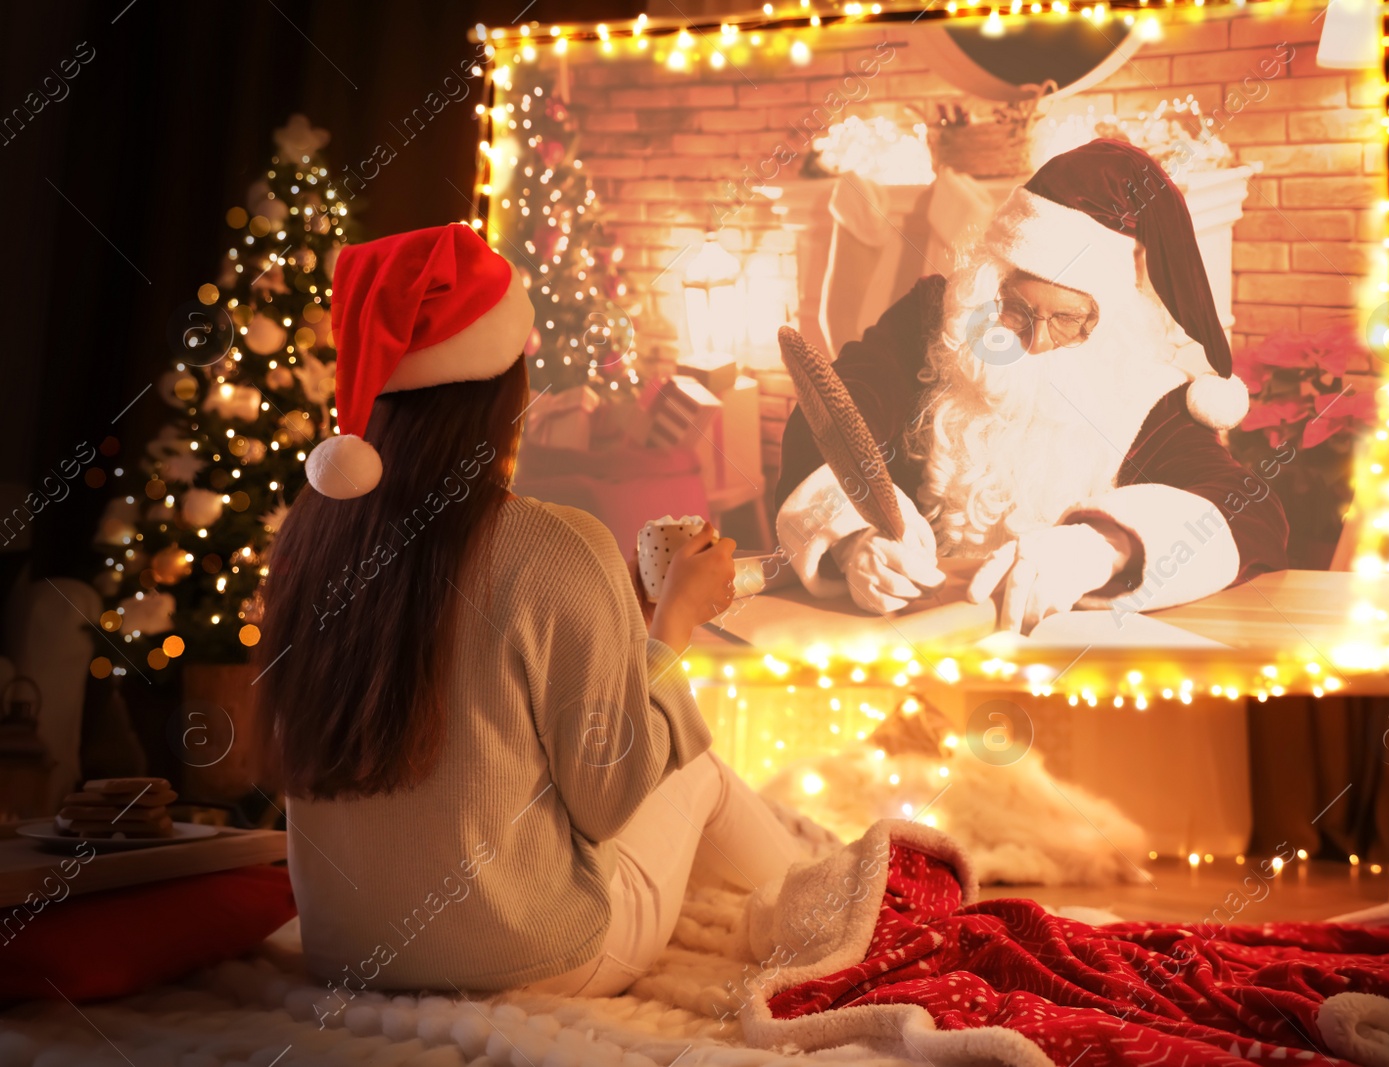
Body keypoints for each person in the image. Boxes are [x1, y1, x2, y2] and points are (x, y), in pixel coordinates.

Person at [260, 224, 808, 999]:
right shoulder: (556, 543)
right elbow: (608, 799)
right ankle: (835, 913)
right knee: (702, 774)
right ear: (501, 388)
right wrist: (672, 626)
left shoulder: (308, 540)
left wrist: (616, 609)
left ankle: (814, 890)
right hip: (537, 959)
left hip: (344, 955)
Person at [775, 140, 1288, 634]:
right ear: (987, 287)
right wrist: (853, 537)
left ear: (1105, 319)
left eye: (1070, 320)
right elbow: (831, 414)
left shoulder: (1146, 386)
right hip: (910, 633)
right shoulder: (933, 322)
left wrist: (1103, 547)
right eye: (1018, 309)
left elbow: (1251, 507)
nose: (1038, 340)